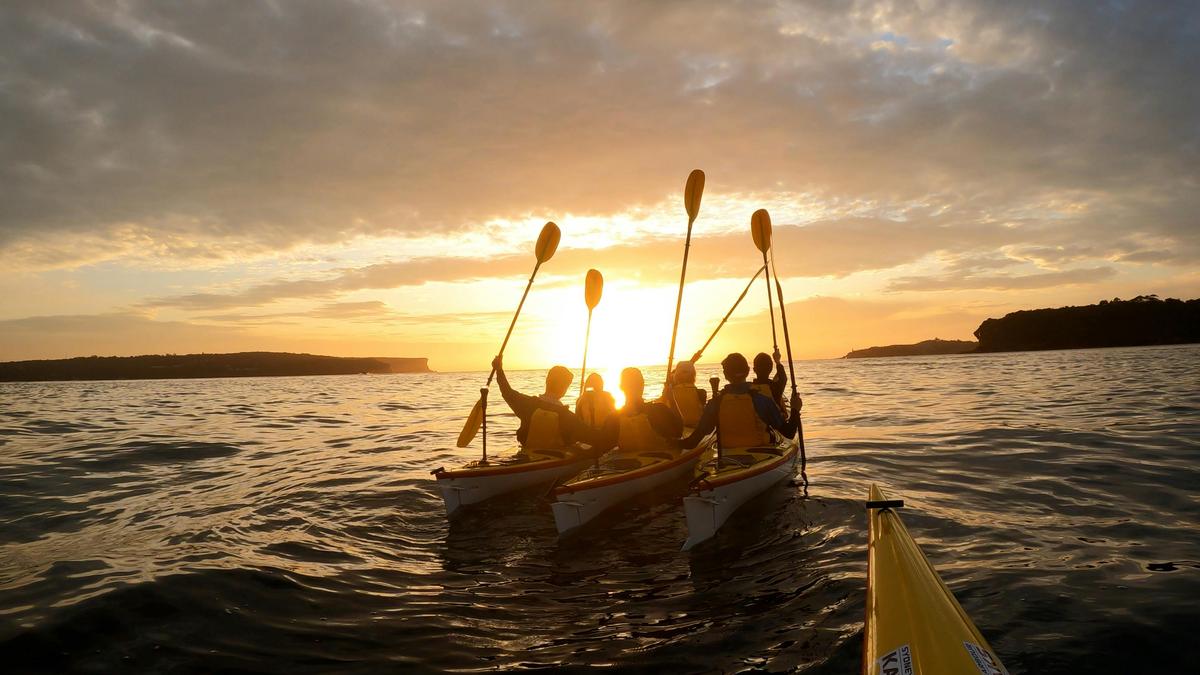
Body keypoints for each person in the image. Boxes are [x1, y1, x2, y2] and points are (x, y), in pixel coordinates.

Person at [680, 352, 801, 450]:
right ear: (748, 371)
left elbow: (692, 443)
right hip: (759, 449)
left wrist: (673, 442)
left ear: (725, 375)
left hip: (727, 456)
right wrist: (795, 409)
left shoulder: (715, 403)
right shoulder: (762, 400)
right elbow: (789, 433)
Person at [492, 355, 593, 449]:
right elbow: (593, 437)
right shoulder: (568, 417)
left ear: (547, 381)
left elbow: (507, 392)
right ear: (565, 388)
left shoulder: (527, 404)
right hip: (556, 458)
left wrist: (499, 369)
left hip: (526, 456)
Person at [594, 368, 683, 454]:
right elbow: (679, 432)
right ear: (642, 385)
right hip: (660, 460)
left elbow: (603, 446)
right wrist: (671, 399)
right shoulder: (658, 410)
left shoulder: (613, 418)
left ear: (621, 387)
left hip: (629, 462)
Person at [667, 360, 707, 428]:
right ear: (693, 374)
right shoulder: (701, 393)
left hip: (677, 428)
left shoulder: (669, 394)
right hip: (696, 429)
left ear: (676, 375)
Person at [751, 348, 787, 412]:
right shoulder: (775, 388)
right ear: (771, 369)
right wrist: (777, 361)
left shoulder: (749, 388)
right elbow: (783, 378)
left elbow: (783, 378)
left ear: (754, 369)